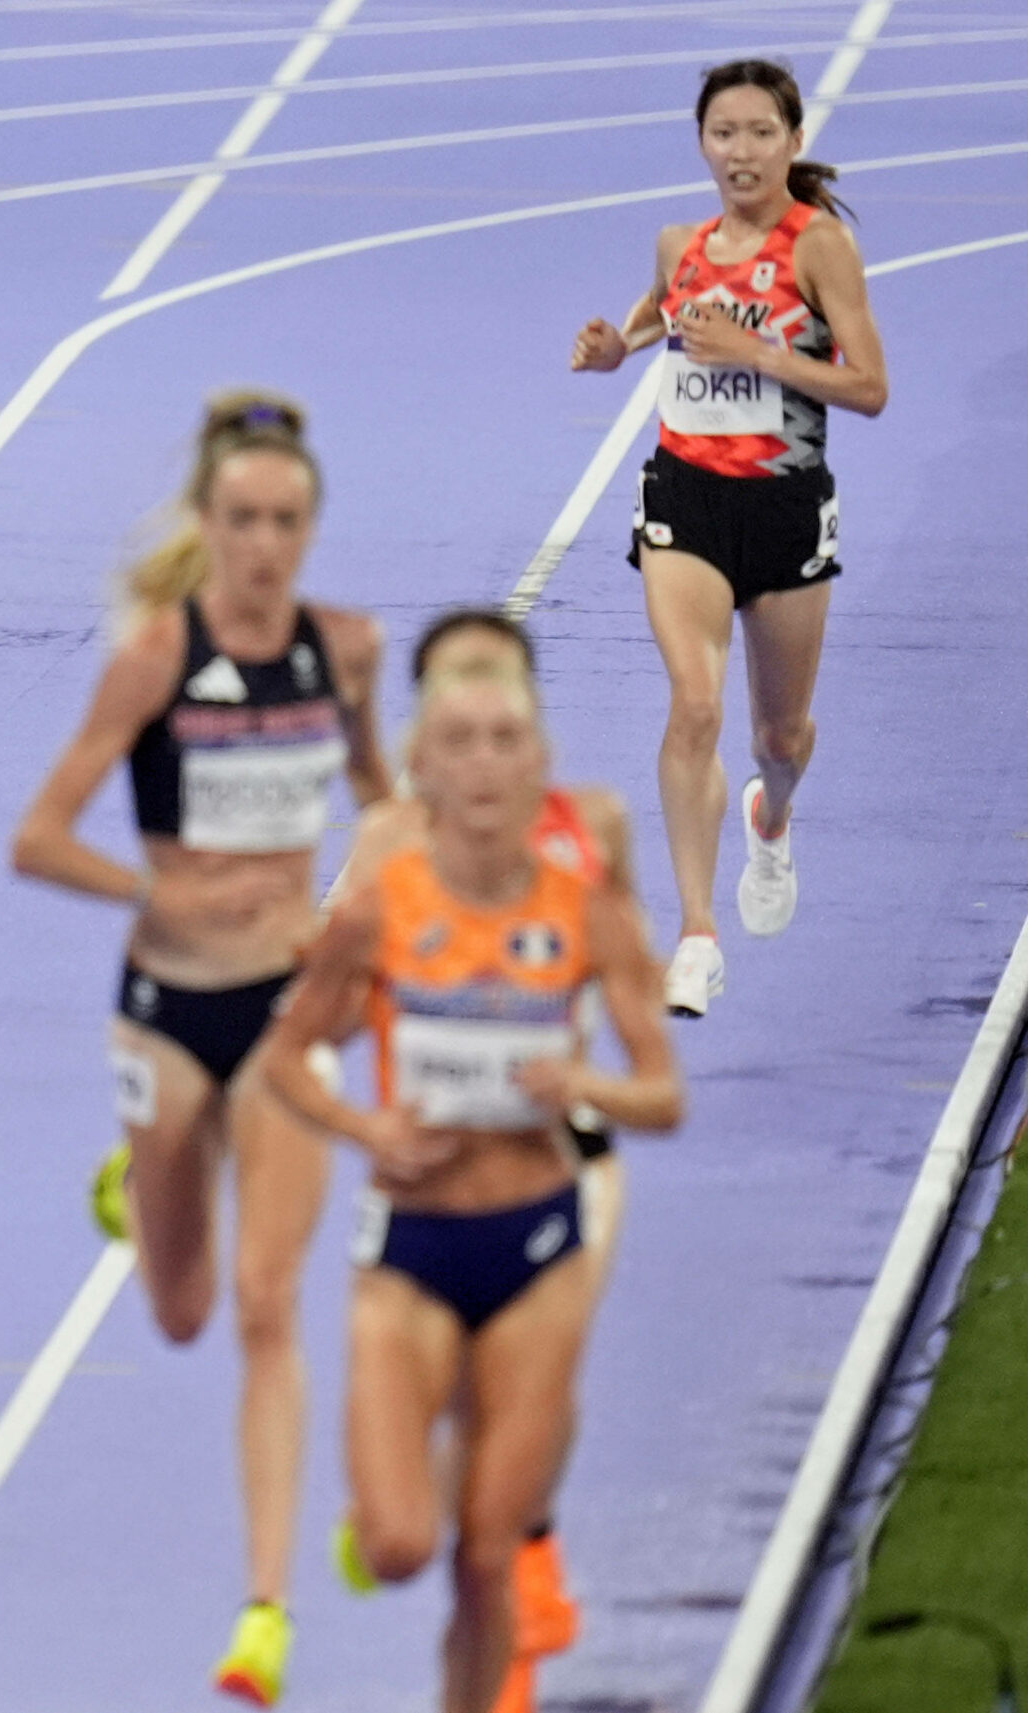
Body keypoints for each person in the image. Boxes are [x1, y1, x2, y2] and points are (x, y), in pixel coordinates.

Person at [12, 391, 388, 1706]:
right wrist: (152, 896)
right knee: (179, 1310)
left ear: (312, 524)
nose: (268, 544)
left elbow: (384, 805)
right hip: (169, 1012)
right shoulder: (149, 661)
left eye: (290, 521)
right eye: (245, 520)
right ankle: (140, 1176)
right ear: (212, 521)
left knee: (270, 1305)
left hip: (287, 1016)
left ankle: (264, 1614)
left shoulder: (347, 652)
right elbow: (39, 836)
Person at [262, 666, 681, 1713]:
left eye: (508, 739)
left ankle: (517, 1581)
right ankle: (418, 1507)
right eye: (461, 740)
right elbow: (297, 1036)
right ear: (422, 769)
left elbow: (654, 1075)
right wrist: (362, 1126)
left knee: (487, 1540)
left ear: (541, 759)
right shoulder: (384, 888)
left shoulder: (590, 882)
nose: (486, 763)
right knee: (407, 1538)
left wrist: (578, 1079)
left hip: (547, 1206)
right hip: (411, 1228)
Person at [570, 57, 887, 1016]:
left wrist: (757, 353)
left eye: (760, 133)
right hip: (687, 498)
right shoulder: (681, 241)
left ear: (792, 141)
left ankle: (772, 815)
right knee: (694, 708)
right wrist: (613, 348)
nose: (741, 151)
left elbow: (870, 388)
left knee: (776, 735)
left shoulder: (819, 248)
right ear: (701, 144)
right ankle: (696, 934)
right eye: (723, 134)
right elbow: (660, 312)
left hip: (787, 508)